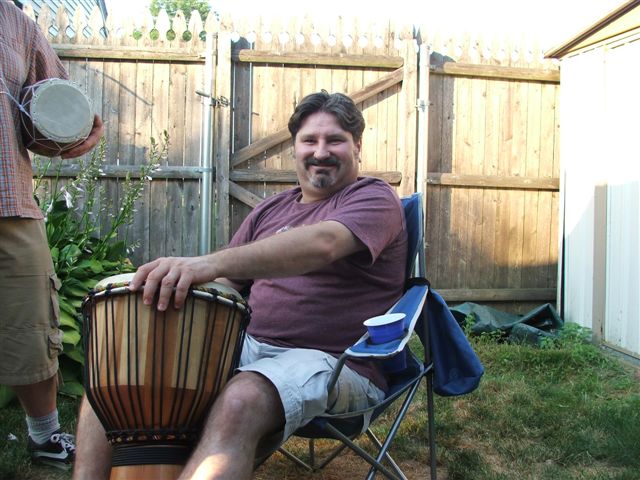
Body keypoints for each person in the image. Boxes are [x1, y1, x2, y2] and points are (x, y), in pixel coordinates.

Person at [72, 90, 407, 479]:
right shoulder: (270, 209)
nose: (320, 152)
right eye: (309, 141)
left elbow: (324, 244)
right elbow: (228, 283)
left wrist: (208, 263)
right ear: (295, 148)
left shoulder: (374, 197)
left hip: (337, 362)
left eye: (334, 140)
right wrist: (173, 294)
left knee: (241, 398)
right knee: (115, 378)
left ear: (357, 146)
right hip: (245, 347)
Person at [0, 0, 104, 471]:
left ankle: (44, 437)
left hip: (9, 200)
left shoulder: (17, 24)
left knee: (33, 327)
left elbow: (52, 108)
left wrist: (77, 132)